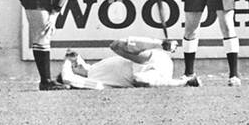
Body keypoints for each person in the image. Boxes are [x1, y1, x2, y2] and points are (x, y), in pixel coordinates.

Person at [54, 37, 193, 90]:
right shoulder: (94, 82)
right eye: (74, 67)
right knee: (140, 79)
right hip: (151, 74)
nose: (77, 63)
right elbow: (68, 79)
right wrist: (67, 62)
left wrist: (73, 58)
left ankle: (161, 43)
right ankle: (184, 82)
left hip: (153, 59)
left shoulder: (96, 66)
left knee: (117, 45)